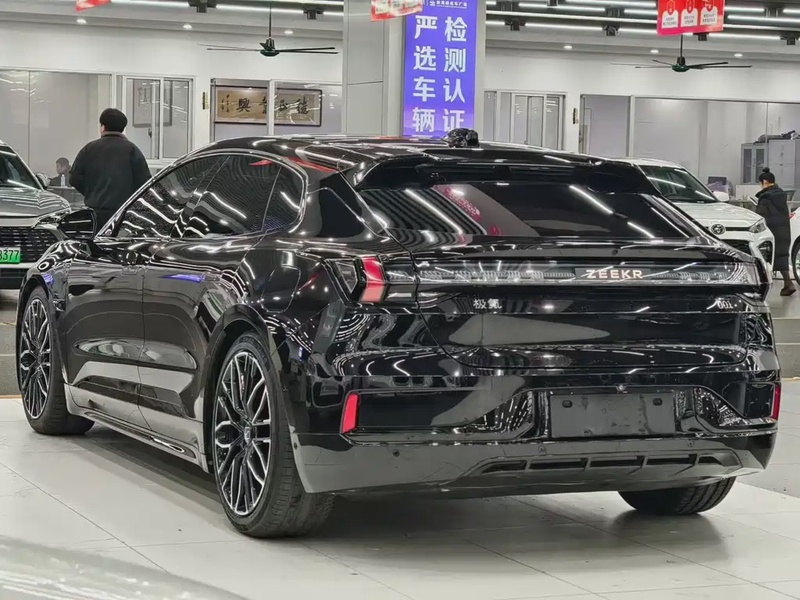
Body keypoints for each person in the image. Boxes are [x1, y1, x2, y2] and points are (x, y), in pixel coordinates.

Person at [70, 108, 150, 233]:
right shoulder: (132, 150)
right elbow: (144, 183)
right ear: (123, 128)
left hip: (94, 213)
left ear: (103, 127)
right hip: (123, 215)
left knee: (95, 243)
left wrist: (91, 193)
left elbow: (74, 178)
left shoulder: (88, 149)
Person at [756, 167, 796, 296]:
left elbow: (760, 216)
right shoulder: (781, 195)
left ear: (764, 182)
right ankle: (788, 283)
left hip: (771, 231)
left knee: (762, 258)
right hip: (784, 230)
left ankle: (761, 287)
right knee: (782, 256)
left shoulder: (765, 198)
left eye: (760, 183)